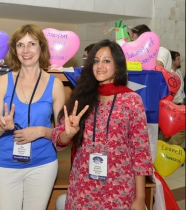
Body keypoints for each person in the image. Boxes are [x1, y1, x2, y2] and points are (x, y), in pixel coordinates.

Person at [52, 39, 153, 209]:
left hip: (119, 188)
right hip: (82, 187)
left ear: (118, 66)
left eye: (106, 61)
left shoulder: (132, 100)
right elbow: (58, 138)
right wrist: (68, 134)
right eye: (96, 61)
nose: (100, 66)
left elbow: (140, 152)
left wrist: (140, 198)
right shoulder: (81, 98)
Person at [0, 24, 65, 210]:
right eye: (20, 45)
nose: (26, 50)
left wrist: (42, 131)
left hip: (42, 164)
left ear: (41, 47)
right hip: (6, 164)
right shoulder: (3, 82)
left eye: (32, 44)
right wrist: (2, 127)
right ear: (14, 50)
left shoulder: (55, 85)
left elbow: (62, 136)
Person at [159, 51, 185, 146]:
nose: (180, 61)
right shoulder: (167, 74)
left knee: (169, 131)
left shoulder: (178, 72)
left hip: (180, 104)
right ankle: (169, 147)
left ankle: (166, 148)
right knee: (166, 131)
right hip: (170, 106)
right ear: (172, 61)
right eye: (178, 59)